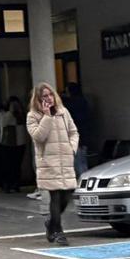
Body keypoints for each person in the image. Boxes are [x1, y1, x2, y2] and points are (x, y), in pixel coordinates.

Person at [26, 82, 79, 246]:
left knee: (67, 193)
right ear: (38, 99)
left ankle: (51, 223)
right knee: (55, 197)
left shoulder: (64, 112)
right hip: (49, 162)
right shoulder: (33, 116)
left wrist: (72, 148)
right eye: (44, 96)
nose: (49, 98)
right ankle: (58, 231)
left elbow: (73, 132)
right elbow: (38, 136)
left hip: (66, 160)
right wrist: (47, 116)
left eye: (50, 95)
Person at [62, 83, 93, 178]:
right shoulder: (83, 102)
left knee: (78, 162)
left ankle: (82, 182)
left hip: (76, 136)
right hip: (83, 136)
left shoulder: (72, 104)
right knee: (82, 161)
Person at [0, 97, 26, 193]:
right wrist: (10, 112)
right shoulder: (2, 114)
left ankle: (16, 184)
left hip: (20, 143)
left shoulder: (21, 115)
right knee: (7, 165)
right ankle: (7, 184)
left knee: (17, 165)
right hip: (6, 143)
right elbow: (4, 123)